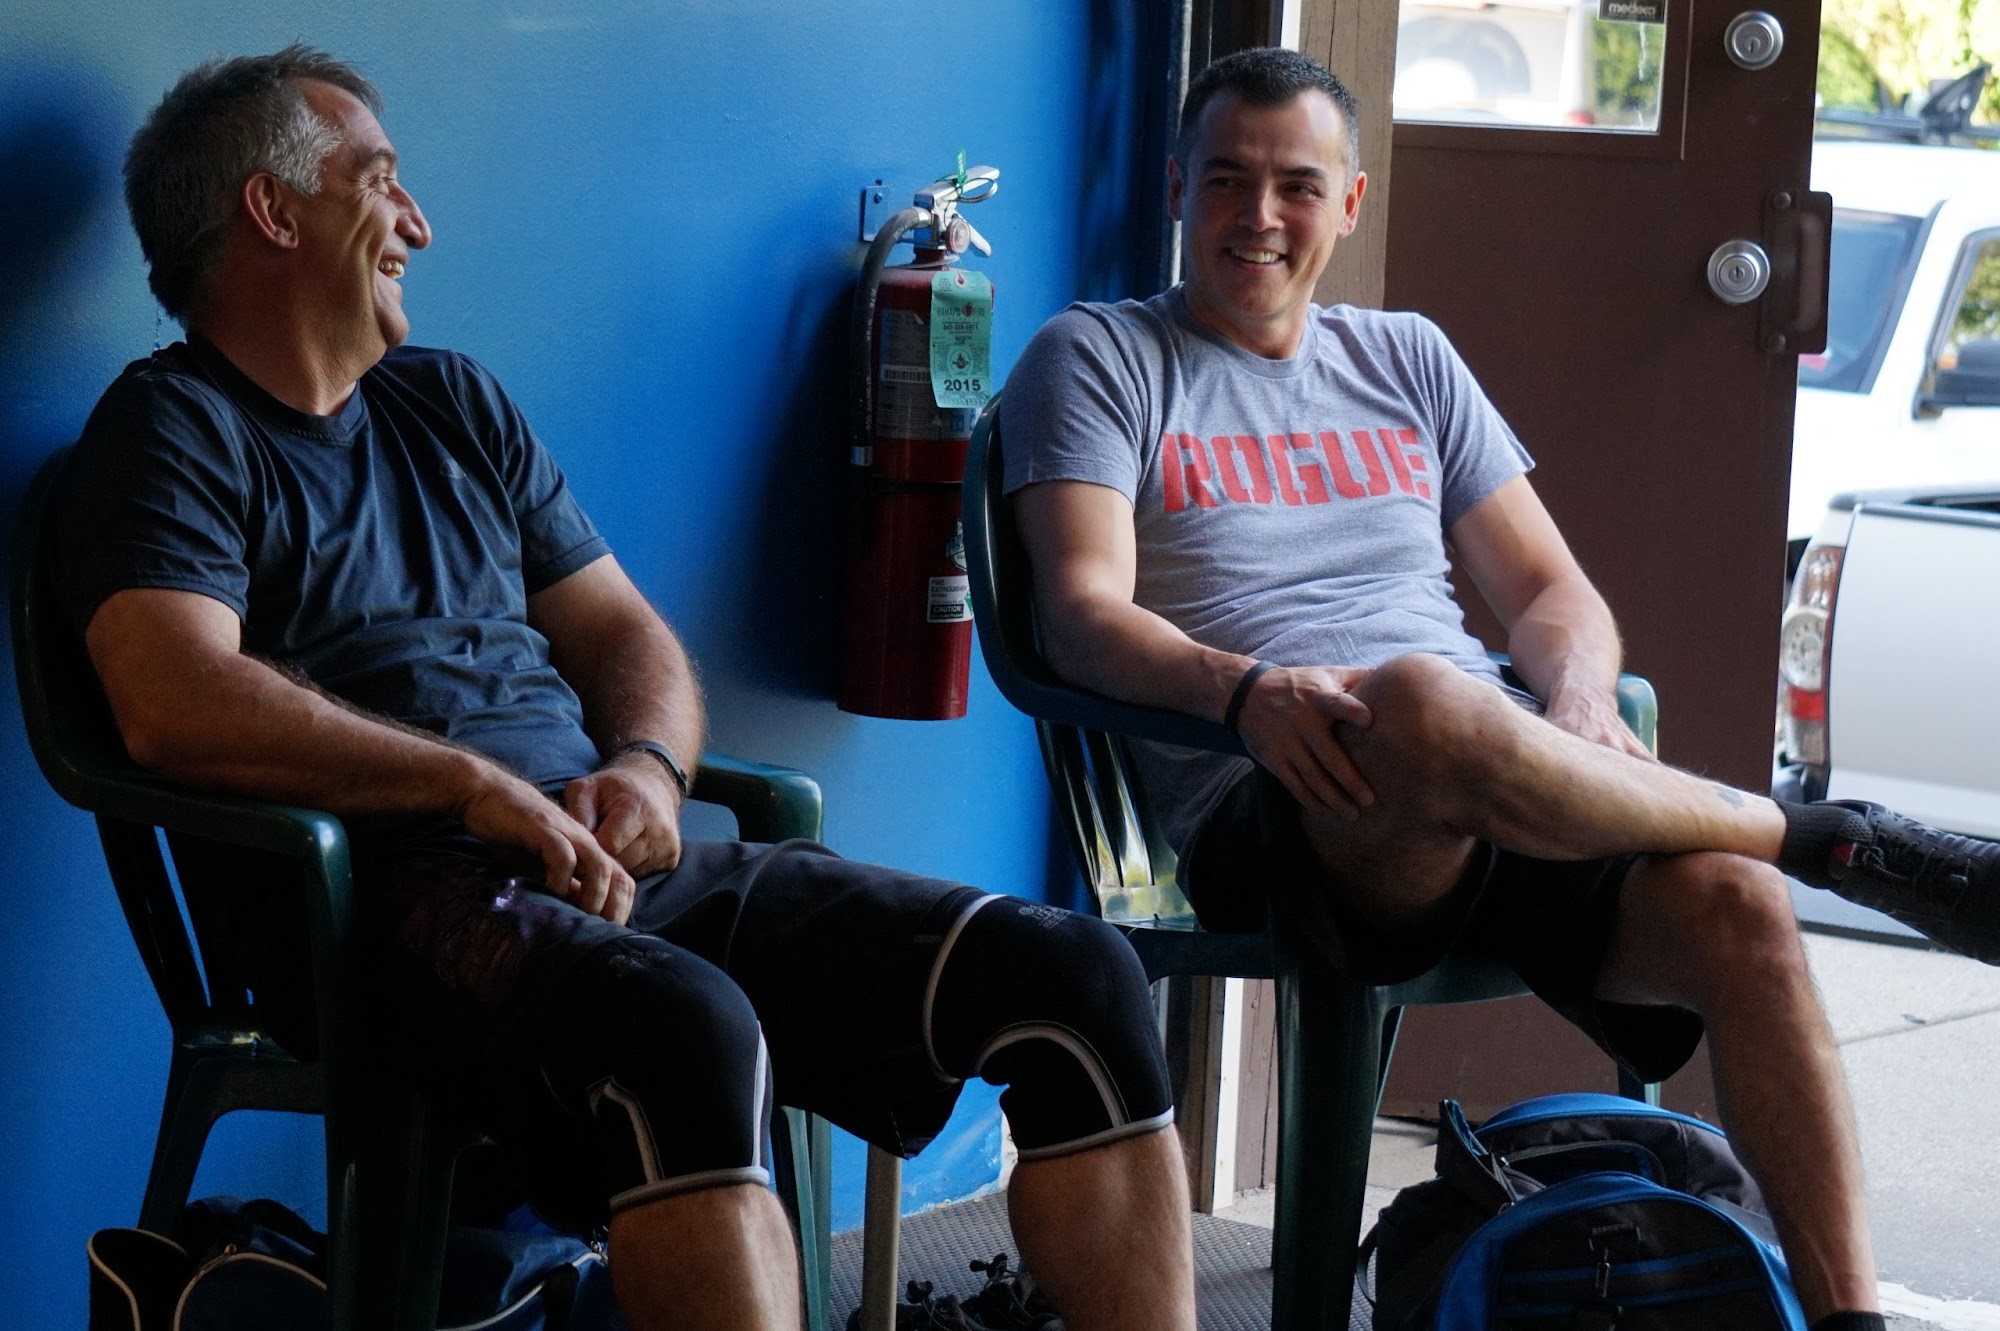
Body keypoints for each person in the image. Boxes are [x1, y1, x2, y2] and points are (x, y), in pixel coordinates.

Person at [58, 47, 1198, 1331]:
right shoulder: (170, 431)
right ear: (273, 211)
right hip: (383, 904)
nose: (417, 224)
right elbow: (171, 693)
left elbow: (623, 634)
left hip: (596, 860)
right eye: (378, 183)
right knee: (683, 1028)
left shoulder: (451, 402)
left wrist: (648, 769)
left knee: (1071, 971)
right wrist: (468, 785)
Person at [1005, 45, 2000, 1331]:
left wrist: (1576, 706)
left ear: (1348, 203)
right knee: (1422, 696)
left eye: (1296, 184)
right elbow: (1081, 614)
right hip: (1291, 800)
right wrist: (1245, 692)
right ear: (1175, 188)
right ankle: (1822, 836)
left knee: (1742, 910)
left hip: (1502, 773)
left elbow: (1551, 597)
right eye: (1227, 180)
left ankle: (1847, 1313)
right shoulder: (1097, 357)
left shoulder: (1405, 357)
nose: (1259, 214)